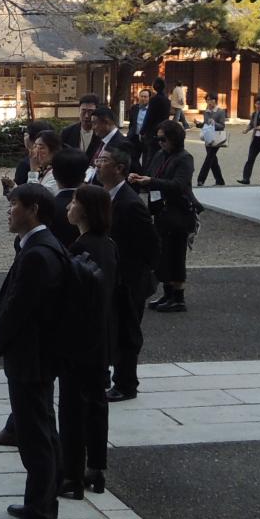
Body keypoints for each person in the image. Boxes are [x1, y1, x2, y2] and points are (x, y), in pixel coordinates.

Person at [0, 182, 73, 519]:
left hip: (31, 355)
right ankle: (43, 501)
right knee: (42, 429)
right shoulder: (39, 245)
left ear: (34, 209)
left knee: (35, 436)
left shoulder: (39, 252)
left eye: (15, 204)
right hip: (36, 353)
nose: (9, 211)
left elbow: (21, 307)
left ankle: (39, 515)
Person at [62, 183, 114, 497]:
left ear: (86, 210)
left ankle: (71, 474)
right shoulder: (108, 245)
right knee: (96, 404)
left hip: (80, 340)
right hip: (101, 338)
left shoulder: (81, 249)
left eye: (73, 201)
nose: (69, 206)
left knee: (72, 408)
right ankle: (96, 466)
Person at [96, 147, 156, 401]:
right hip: (116, 276)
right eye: (98, 160)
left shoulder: (130, 203)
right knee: (115, 327)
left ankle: (126, 382)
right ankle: (116, 376)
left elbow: (151, 244)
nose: (98, 165)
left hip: (130, 278)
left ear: (119, 168)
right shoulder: (107, 196)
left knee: (127, 331)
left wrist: (137, 275)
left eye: (104, 161)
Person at [131, 118, 196, 314]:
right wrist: (141, 179)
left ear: (174, 139)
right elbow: (151, 174)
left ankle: (178, 296)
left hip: (178, 212)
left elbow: (179, 185)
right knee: (163, 253)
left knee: (177, 253)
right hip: (161, 210)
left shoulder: (184, 158)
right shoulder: (160, 154)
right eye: (158, 139)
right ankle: (168, 293)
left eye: (163, 139)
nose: (160, 143)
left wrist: (152, 181)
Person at [197, 103, 227, 186]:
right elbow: (205, 124)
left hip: (217, 137)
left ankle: (201, 179)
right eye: (208, 100)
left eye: (211, 99)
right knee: (213, 160)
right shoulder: (206, 112)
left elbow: (222, 126)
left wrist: (214, 123)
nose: (209, 102)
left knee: (209, 158)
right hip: (208, 137)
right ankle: (220, 180)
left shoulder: (220, 111)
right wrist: (198, 124)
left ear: (215, 101)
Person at [240, 99, 260, 185]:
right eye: (256, 104)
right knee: (250, 159)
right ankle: (246, 178)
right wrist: (246, 130)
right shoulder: (255, 114)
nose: (257, 106)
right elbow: (251, 124)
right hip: (255, 141)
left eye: (259, 104)